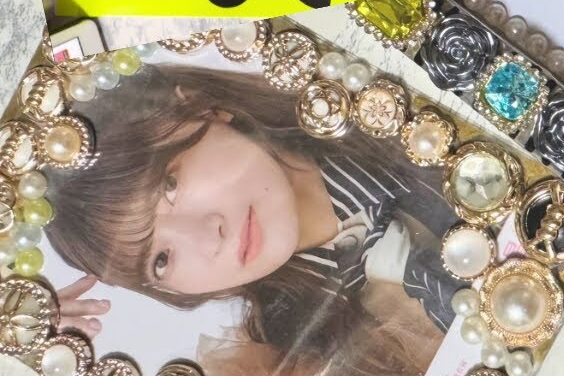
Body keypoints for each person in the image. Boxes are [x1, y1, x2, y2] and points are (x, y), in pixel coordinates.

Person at [46, 63, 457, 375]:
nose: (208, 237)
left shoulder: (381, 85)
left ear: (198, 107)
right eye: (161, 259)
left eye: (169, 185)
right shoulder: (285, 356)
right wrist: (33, 355)